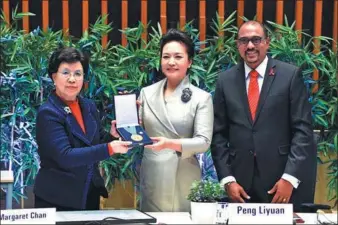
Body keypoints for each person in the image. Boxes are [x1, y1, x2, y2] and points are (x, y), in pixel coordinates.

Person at [211, 21, 316, 211]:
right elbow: (218, 135)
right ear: (238, 45)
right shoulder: (225, 81)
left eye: (256, 40)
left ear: (267, 42)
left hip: (280, 183)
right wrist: (228, 180)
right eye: (244, 41)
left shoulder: (290, 75)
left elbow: (303, 131)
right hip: (240, 187)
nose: (250, 46)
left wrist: (289, 178)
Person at [111, 29, 213, 212]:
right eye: (166, 56)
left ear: (189, 62)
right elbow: (139, 135)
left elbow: (203, 142)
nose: (171, 62)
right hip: (153, 173)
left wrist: (169, 144)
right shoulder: (146, 93)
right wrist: (123, 130)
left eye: (178, 57)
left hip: (183, 174)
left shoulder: (201, 97)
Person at [34, 47, 131, 211]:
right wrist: (108, 148)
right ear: (54, 77)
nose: (72, 79)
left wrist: (112, 137)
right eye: (66, 73)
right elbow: (65, 156)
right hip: (57, 199)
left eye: (78, 74)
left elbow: (94, 140)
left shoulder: (88, 106)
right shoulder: (48, 113)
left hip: (89, 192)